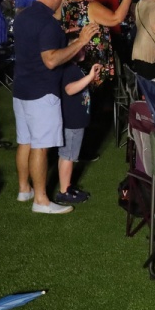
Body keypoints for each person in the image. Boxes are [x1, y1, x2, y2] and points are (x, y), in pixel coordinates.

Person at [12, 0, 99, 215]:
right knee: (40, 147)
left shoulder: (22, 17)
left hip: (21, 88)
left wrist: (66, 38)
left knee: (25, 142)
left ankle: (24, 189)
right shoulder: (48, 23)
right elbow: (50, 60)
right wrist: (80, 42)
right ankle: (41, 200)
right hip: (41, 92)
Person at [61, 0, 141, 87]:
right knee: (100, 93)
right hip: (93, 60)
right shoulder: (90, 6)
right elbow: (116, 19)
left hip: (74, 55)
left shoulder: (66, 3)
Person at [54, 62, 100, 205]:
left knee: (66, 155)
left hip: (73, 120)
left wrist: (90, 78)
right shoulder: (69, 68)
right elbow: (69, 89)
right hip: (72, 121)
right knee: (68, 156)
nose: (83, 51)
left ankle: (66, 186)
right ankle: (64, 192)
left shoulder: (73, 67)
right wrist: (90, 77)